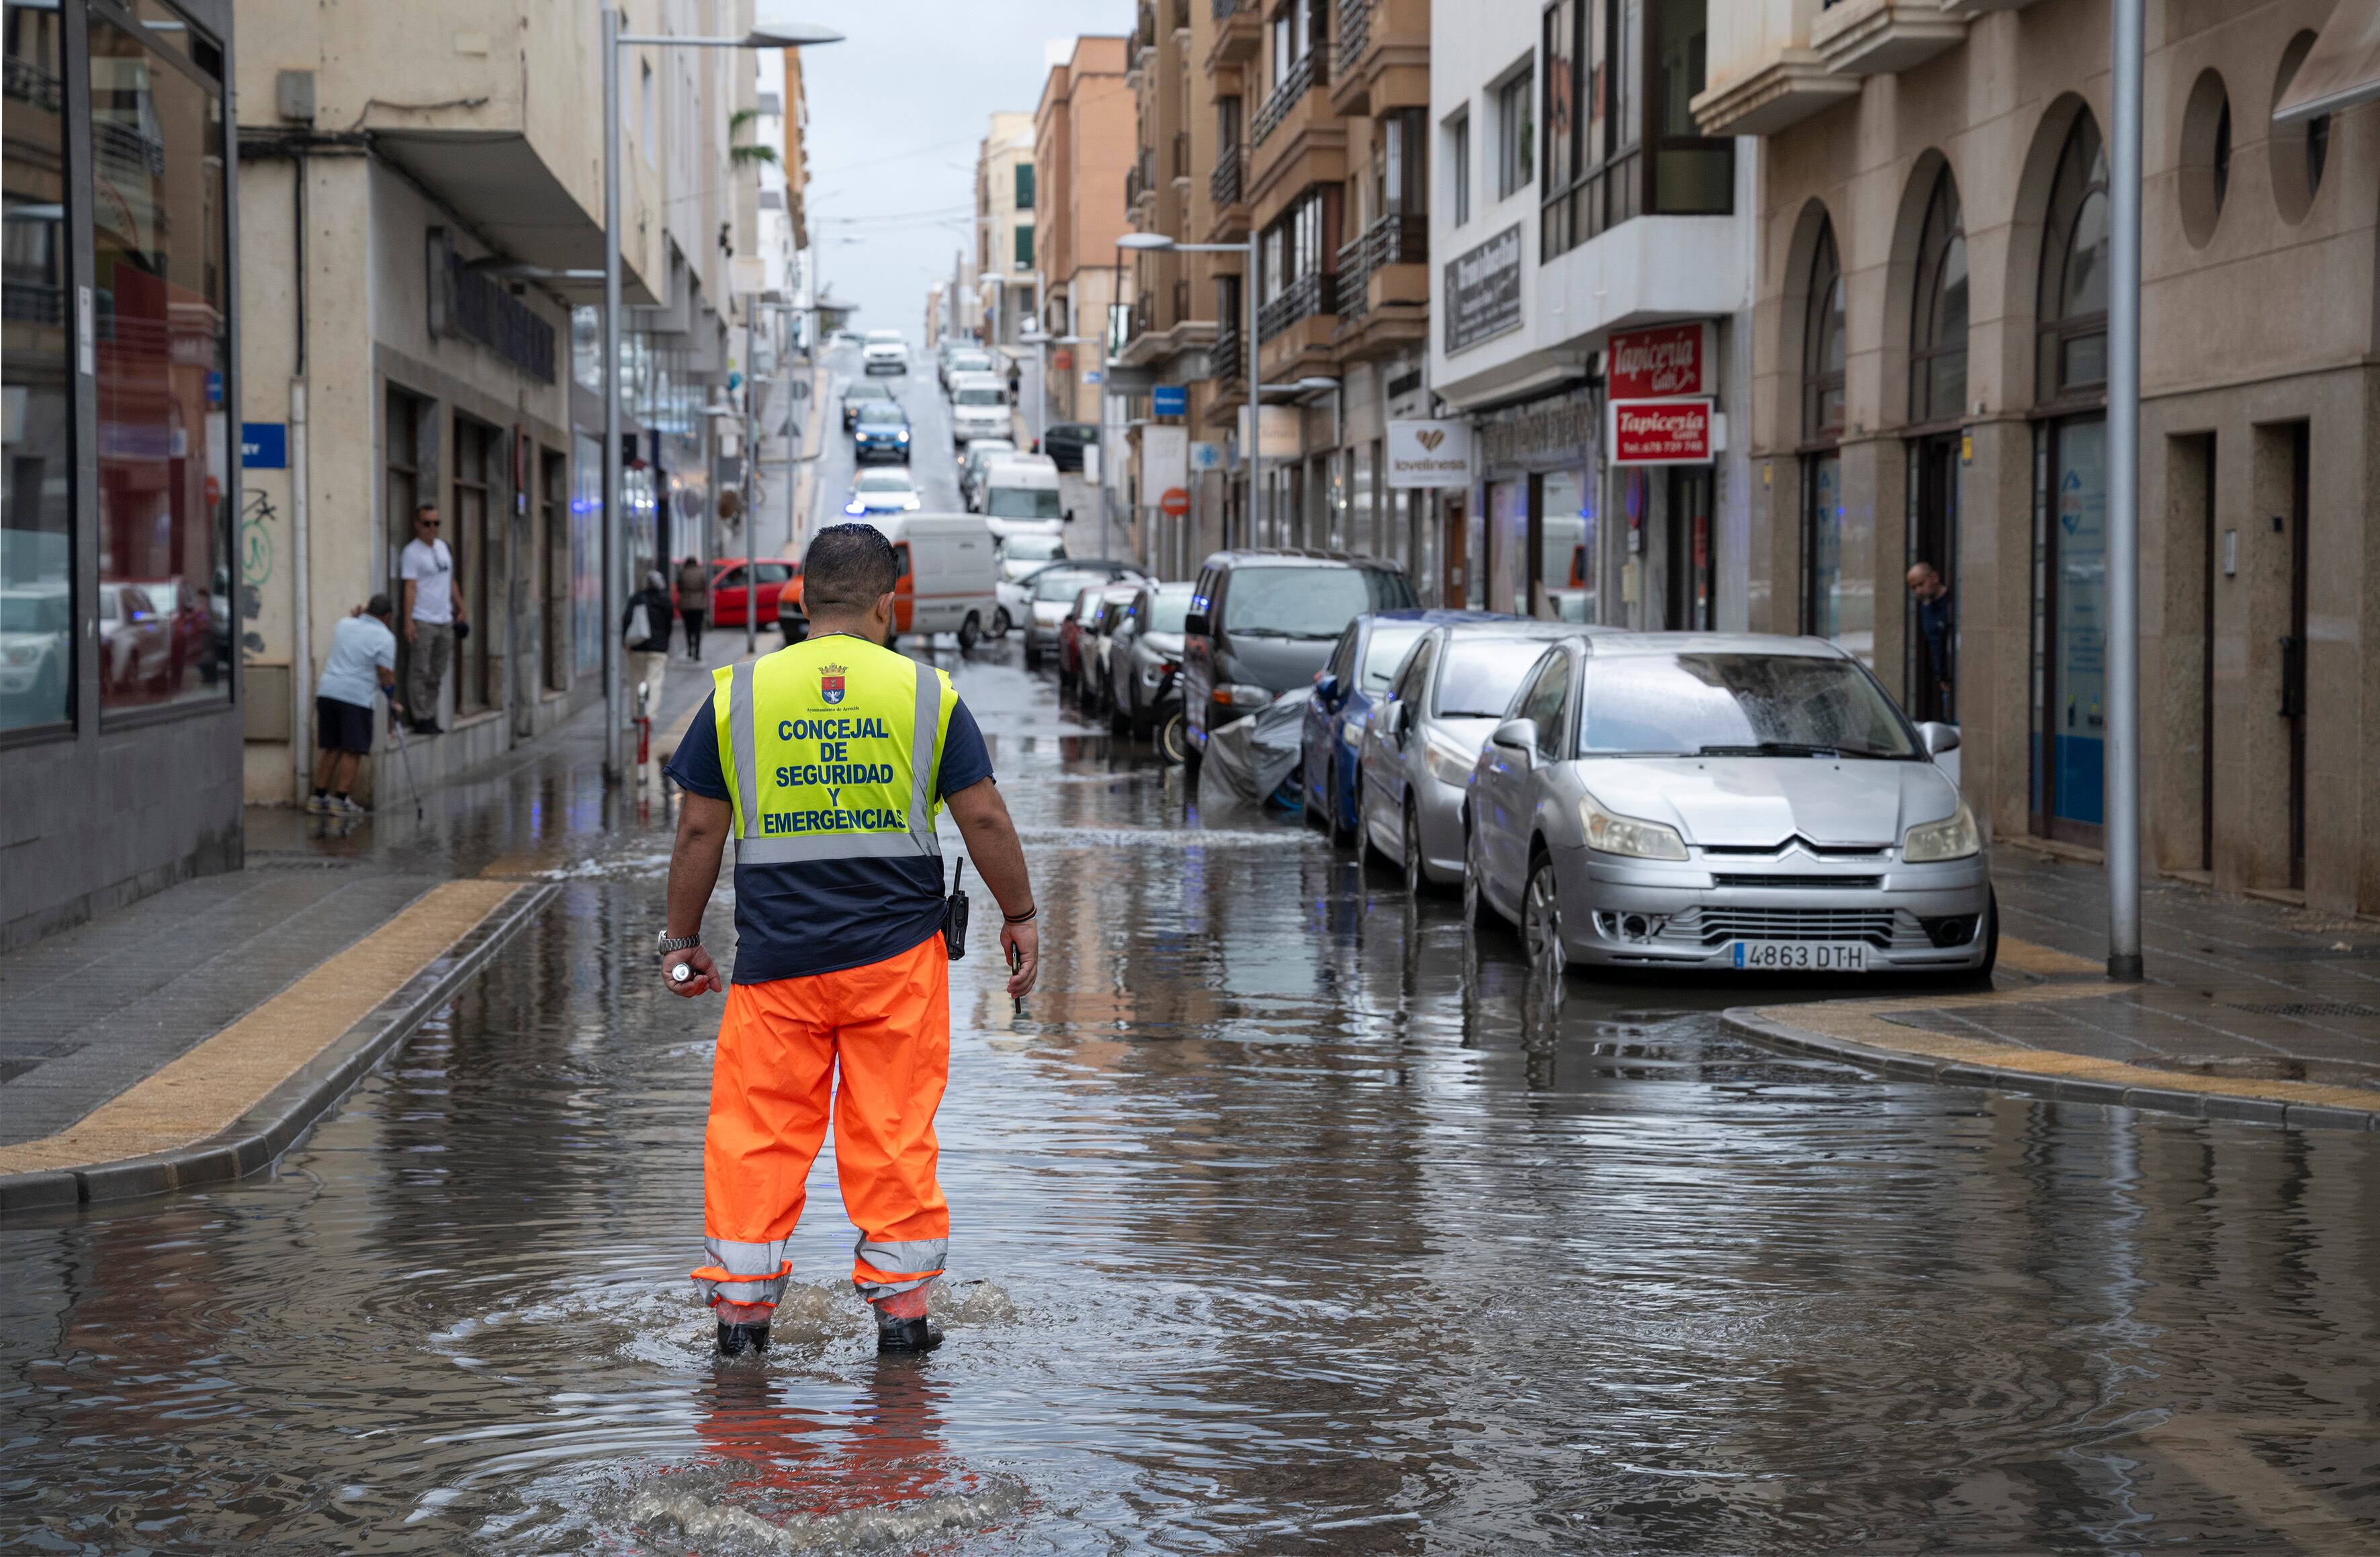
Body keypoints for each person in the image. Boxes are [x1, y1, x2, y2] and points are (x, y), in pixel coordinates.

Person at [658, 523, 1039, 1358]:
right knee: (894, 1133)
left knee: (757, 1135)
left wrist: (680, 938)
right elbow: (981, 814)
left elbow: (697, 834)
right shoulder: (929, 694)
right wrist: (1020, 914)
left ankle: (742, 1325)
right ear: (887, 602)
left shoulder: (739, 694)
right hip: (895, 963)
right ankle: (902, 1323)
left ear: (800, 598)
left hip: (775, 965)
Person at [308, 594, 401, 815]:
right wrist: (393, 700)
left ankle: (318, 797)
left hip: (328, 692)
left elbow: (354, 632)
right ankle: (340, 800)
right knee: (353, 749)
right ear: (388, 617)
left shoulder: (344, 624)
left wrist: (357, 617)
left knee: (333, 747)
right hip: (355, 698)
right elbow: (385, 674)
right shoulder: (386, 638)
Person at [399, 503, 462, 734]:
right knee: (419, 670)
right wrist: (408, 620)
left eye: (436, 523)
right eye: (427, 523)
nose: (432, 528)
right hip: (423, 619)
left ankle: (430, 713)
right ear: (418, 525)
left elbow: (450, 580)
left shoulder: (444, 548)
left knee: (437, 671)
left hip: (444, 619)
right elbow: (410, 588)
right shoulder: (412, 552)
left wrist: (461, 607)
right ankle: (420, 716)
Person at [625, 567, 674, 727]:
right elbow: (669, 626)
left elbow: (627, 620)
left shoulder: (637, 598)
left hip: (638, 648)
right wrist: (665, 642)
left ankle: (635, 714)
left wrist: (626, 643)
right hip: (658, 649)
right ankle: (648, 716)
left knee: (636, 682)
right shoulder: (665, 600)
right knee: (654, 682)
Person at [1906, 561, 1955, 719]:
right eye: (1914, 588)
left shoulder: (1952, 603)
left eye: (1921, 584)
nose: (1918, 591)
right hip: (1943, 683)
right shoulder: (1925, 608)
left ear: (1934, 577)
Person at [676, 554, 711, 660]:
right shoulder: (701, 573)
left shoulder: (683, 573)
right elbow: (705, 586)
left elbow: (679, 587)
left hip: (686, 603)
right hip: (699, 604)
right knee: (698, 629)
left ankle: (690, 649)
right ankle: (697, 652)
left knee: (688, 628)